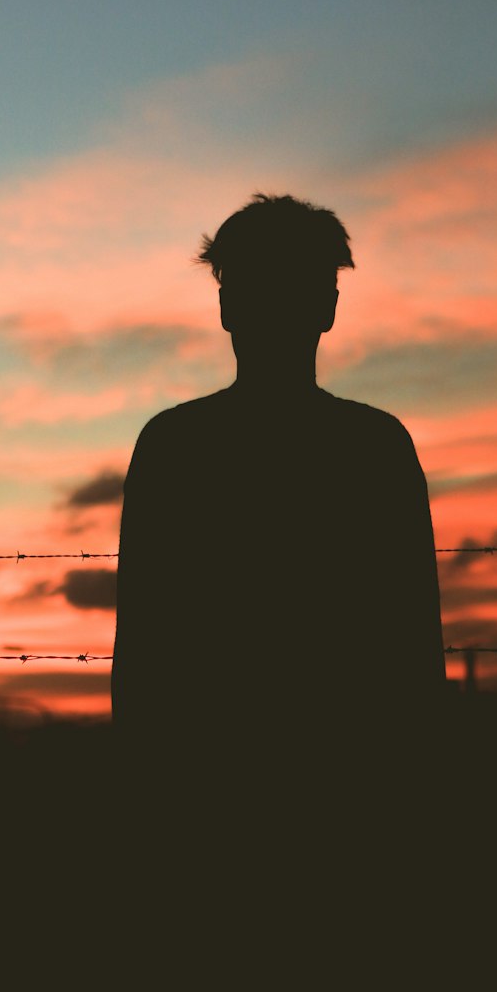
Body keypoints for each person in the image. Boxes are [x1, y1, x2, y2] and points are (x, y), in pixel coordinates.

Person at [111, 192, 445, 795]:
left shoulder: (175, 446)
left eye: (282, 287)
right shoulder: (374, 447)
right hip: (346, 777)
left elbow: (142, 651)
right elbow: (414, 649)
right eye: (258, 287)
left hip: (212, 778)